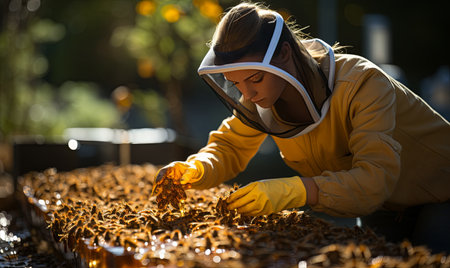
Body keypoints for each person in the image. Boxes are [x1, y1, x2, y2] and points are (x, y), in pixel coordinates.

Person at [152, 2, 450, 253]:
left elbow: (374, 180)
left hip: (439, 195)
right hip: (381, 208)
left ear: (284, 53)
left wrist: (295, 190)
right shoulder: (263, 99)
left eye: (255, 79)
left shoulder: (364, 83)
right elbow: (229, 145)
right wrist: (197, 168)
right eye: (236, 83)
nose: (248, 94)